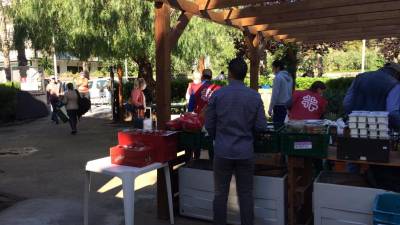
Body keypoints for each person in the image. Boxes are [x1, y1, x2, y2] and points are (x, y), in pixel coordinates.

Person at [205, 58, 268, 225]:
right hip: (245, 151)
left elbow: (209, 124)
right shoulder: (254, 96)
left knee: (220, 194)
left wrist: (216, 137)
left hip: (222, 150)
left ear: (230, 73)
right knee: (246, 194)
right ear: (244, 74)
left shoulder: (218, 94)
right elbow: (261, 126)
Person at [343, 62, 400, 192]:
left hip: (355, 131)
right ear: (396, 74)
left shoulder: (360, 77)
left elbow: (346, 104)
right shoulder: (394, 84)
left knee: (352, 163)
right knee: (380, 169)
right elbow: (393, 112)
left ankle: (349, 193)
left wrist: (356, 118)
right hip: (379, 134)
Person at [268, 60, 293, 127]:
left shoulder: (278, 77)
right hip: (287, 105)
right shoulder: (290, 77)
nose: (272, 70)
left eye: (273, 67)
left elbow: (275, 94)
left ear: (278, 68)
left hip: (279, 106)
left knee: (278, 128)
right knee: (284, 128)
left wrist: (270, 108)